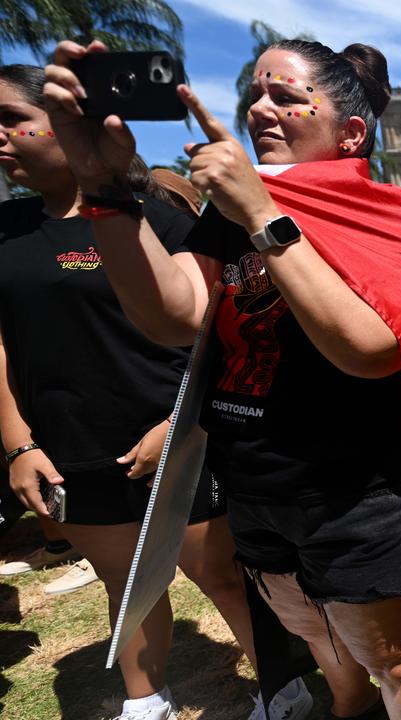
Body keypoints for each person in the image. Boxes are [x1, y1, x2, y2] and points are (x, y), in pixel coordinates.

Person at [43, 39, 401, 720]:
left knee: (396, 660)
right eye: (256, 94)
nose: (261, 108)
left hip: (359, 496)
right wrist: (106, 191)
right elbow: (174, 315)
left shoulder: (392, 217)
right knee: (322, 640)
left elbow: (370, 349)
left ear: (351, 131)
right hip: (259, 487)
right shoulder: (227, 216)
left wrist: (262, 215)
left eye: (287, 97)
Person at [0, 63, 268, 720]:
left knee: (225, 576)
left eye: (11, 119)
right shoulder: (5, 233)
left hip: (175, 448)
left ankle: (282, 687)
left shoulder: (156, 220)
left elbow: (214, 329)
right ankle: (145, 700)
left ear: (67, 121)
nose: (0, 137)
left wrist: (179, 426)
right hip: (69, 452)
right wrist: (17, 446)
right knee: (126, 584)